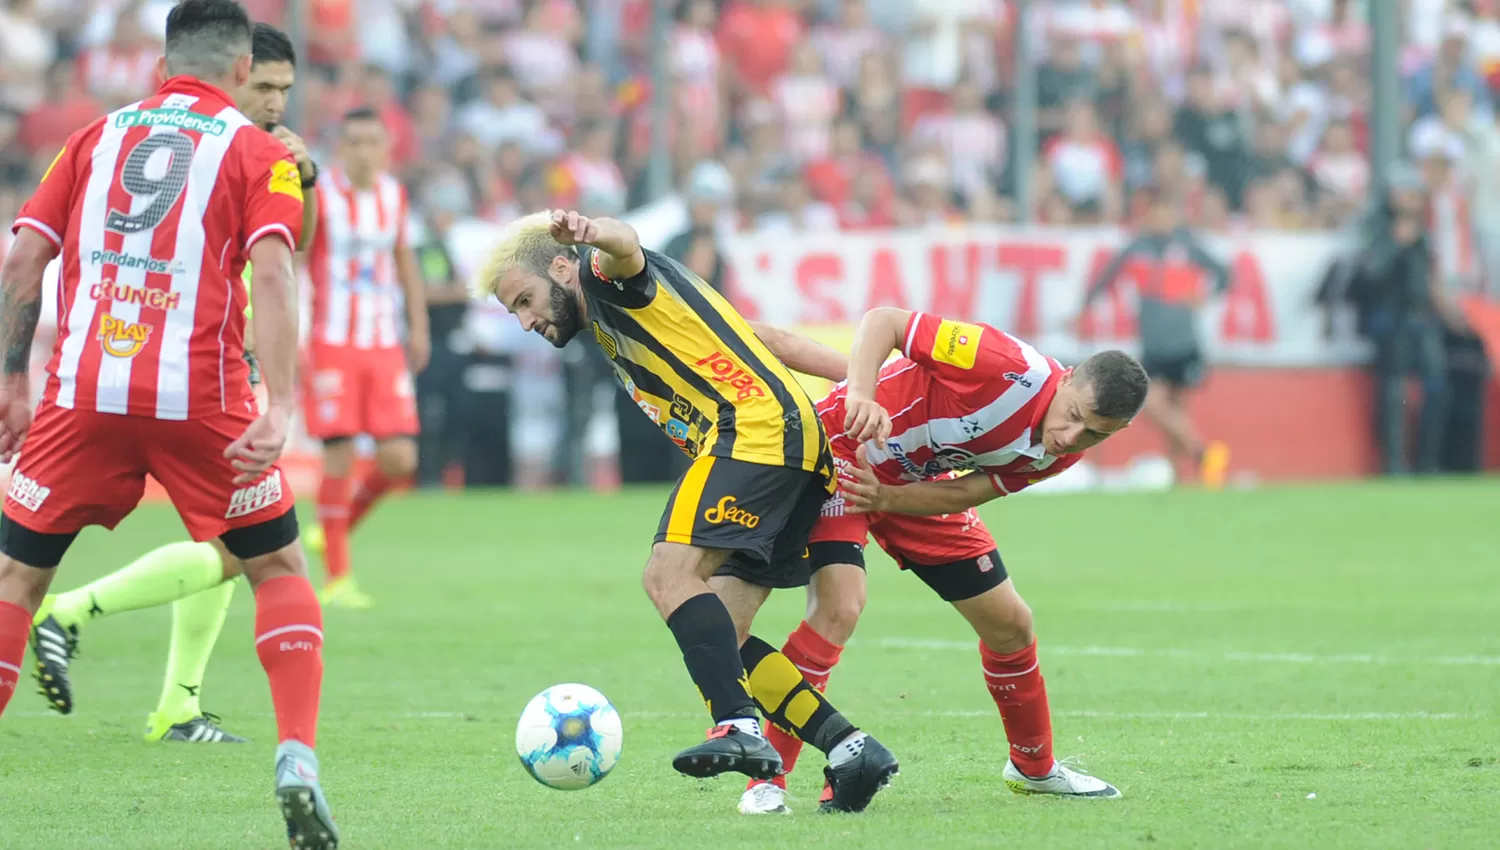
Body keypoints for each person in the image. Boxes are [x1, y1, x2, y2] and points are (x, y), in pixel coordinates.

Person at [0, 3, 337, 847]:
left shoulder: (91, 137)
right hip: (202, 399)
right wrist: (284, 404)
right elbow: (275, 266)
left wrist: (11, 377)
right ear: (237, 71)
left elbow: (26, 257)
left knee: (15, 584)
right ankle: (296, 755)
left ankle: (127, 665)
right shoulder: (255, 150)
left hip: (81, 393)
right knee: (277, 566)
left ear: (163, 65)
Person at [473, 209, 897, 812]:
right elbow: (766, 339)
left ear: (563, 268)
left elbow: (625, 246)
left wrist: (593, 233)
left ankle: (738, 725)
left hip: (752, 434)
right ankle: (850, 747)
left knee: (665, 573)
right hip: (789, 448)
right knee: (727, 631)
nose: (524, 321)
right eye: (513, 311)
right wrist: (867, 382)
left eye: (524, 300)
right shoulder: (639, 315)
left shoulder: (602, 276)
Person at [734, 307, 1147, 814]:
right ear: (1067, 380)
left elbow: (971, 491)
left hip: (904, 488)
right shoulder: (1001, 363)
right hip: (841, 455)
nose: (1070, 438)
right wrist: (860, 395)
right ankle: (767, 780)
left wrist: (886, 500)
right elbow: (884, 321)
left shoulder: (1060, 453)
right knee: (839, 609)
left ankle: (1034, 769)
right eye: (1074, 416)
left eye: (1094, 435)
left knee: (1012, 625)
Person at [302, 107, 431, 608]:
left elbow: (405, 262)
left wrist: (417, 328)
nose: (362, 151)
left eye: (371, 142)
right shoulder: (320, 197)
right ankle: (338, 580)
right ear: (341, 147)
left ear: (386, 148)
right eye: (353, 142)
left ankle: (335, 529)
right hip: (332, 340)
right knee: (338, 458)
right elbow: (295, 259)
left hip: (382, 342)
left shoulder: (393, 196)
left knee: (400, 459)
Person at [1082, 189, 1231, 488]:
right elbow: (1105, 277)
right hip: (1153, 344)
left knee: (1176, 409)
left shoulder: (1187, 245)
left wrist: (1205, 295)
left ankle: (1180, 479)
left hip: (1184, 342)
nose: (1160, 219)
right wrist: (1085, 308)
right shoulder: (1138, 247)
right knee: (1152, 404)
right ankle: (1201, 452)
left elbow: (1224, 274)